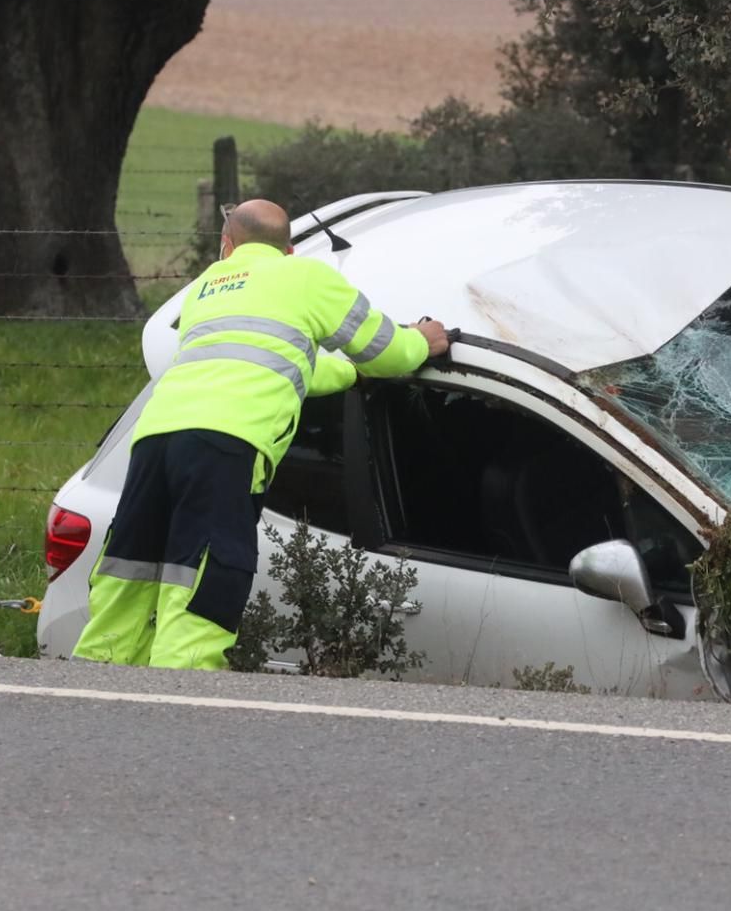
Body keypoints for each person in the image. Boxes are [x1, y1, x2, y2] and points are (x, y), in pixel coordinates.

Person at [72, 199, 450, 670]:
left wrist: (349, 375)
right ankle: (180, 694)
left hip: (155, 438)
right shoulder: (307, 278)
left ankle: (94, 680)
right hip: (227, 442)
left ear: (226, 246)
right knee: (205, 574)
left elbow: (281, 364)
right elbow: (387, 353)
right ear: (289, 249)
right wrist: (423, 339)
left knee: (130, 567)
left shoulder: (206, 287)